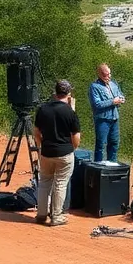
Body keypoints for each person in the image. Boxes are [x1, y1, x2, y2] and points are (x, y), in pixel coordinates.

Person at [33, 80, 82, 227]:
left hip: (47, 152)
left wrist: (41, 145)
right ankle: (56, 215)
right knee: (60, 183)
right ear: (68, 94)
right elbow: (76, 137)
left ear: (55, 93)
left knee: (44, 183)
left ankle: (41, 214)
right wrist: (72, 149)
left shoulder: (43, 109)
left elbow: (36, 132)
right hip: (64, 152)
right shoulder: (70, 112)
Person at [88, 63, 125, 162]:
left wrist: (121, 99)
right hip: (102, 120)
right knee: (101, 145)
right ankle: (98, 167)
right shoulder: (94, 87)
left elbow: (120, 95)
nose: (109, 76)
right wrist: (113, 101)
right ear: (99, 74)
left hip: (114, 118)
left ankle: (111, 165)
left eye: (109, 74)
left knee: (114, 143)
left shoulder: (114, 84)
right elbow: (97, 104)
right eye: (106, 74)